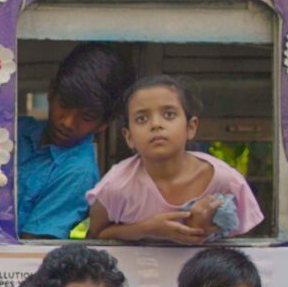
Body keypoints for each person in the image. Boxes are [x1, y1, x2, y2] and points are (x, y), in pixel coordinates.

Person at [83, 76, 262, 243]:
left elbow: (249, 245)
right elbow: (96, 236)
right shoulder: (116, 187)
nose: (156, 124)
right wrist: (146, 229)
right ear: (129, 137)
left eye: (168, 114)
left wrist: (203, 230)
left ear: (191, 127)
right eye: (141, 118)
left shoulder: (225, 181)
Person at [15, 43, 132, 241]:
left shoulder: (78, 171)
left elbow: (32, 247)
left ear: (103, 124)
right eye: (65, 105)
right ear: (51, 92)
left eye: (86, 117)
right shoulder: (15, 129)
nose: (68, 122)